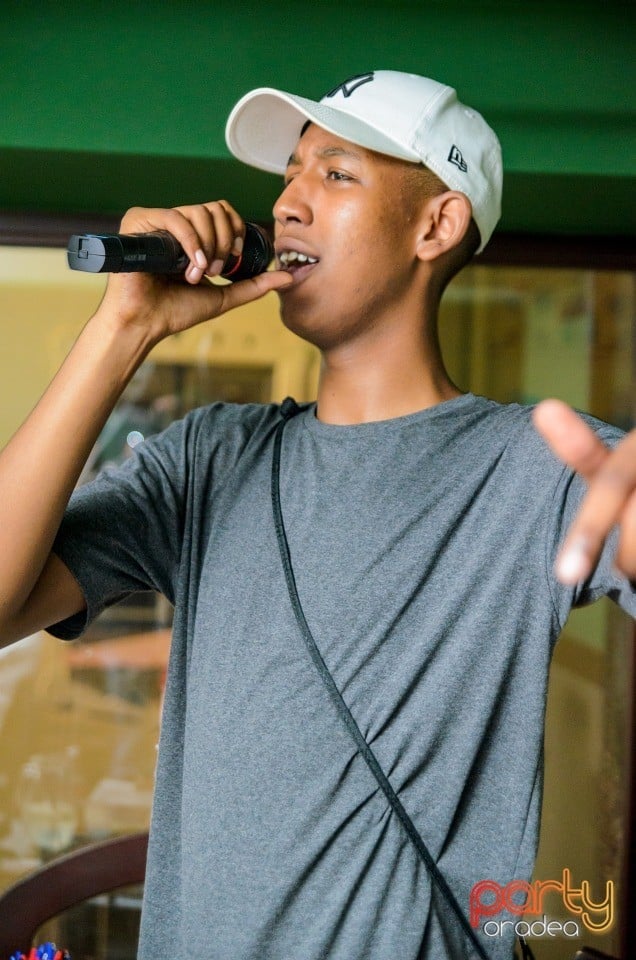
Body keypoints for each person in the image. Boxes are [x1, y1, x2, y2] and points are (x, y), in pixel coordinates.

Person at [0, 70, 634, 960]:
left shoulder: (535, 470)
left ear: (436, 226)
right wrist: (123, 331)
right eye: (290, 175)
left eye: (336, 174)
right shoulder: (208, 457)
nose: (288, 203)